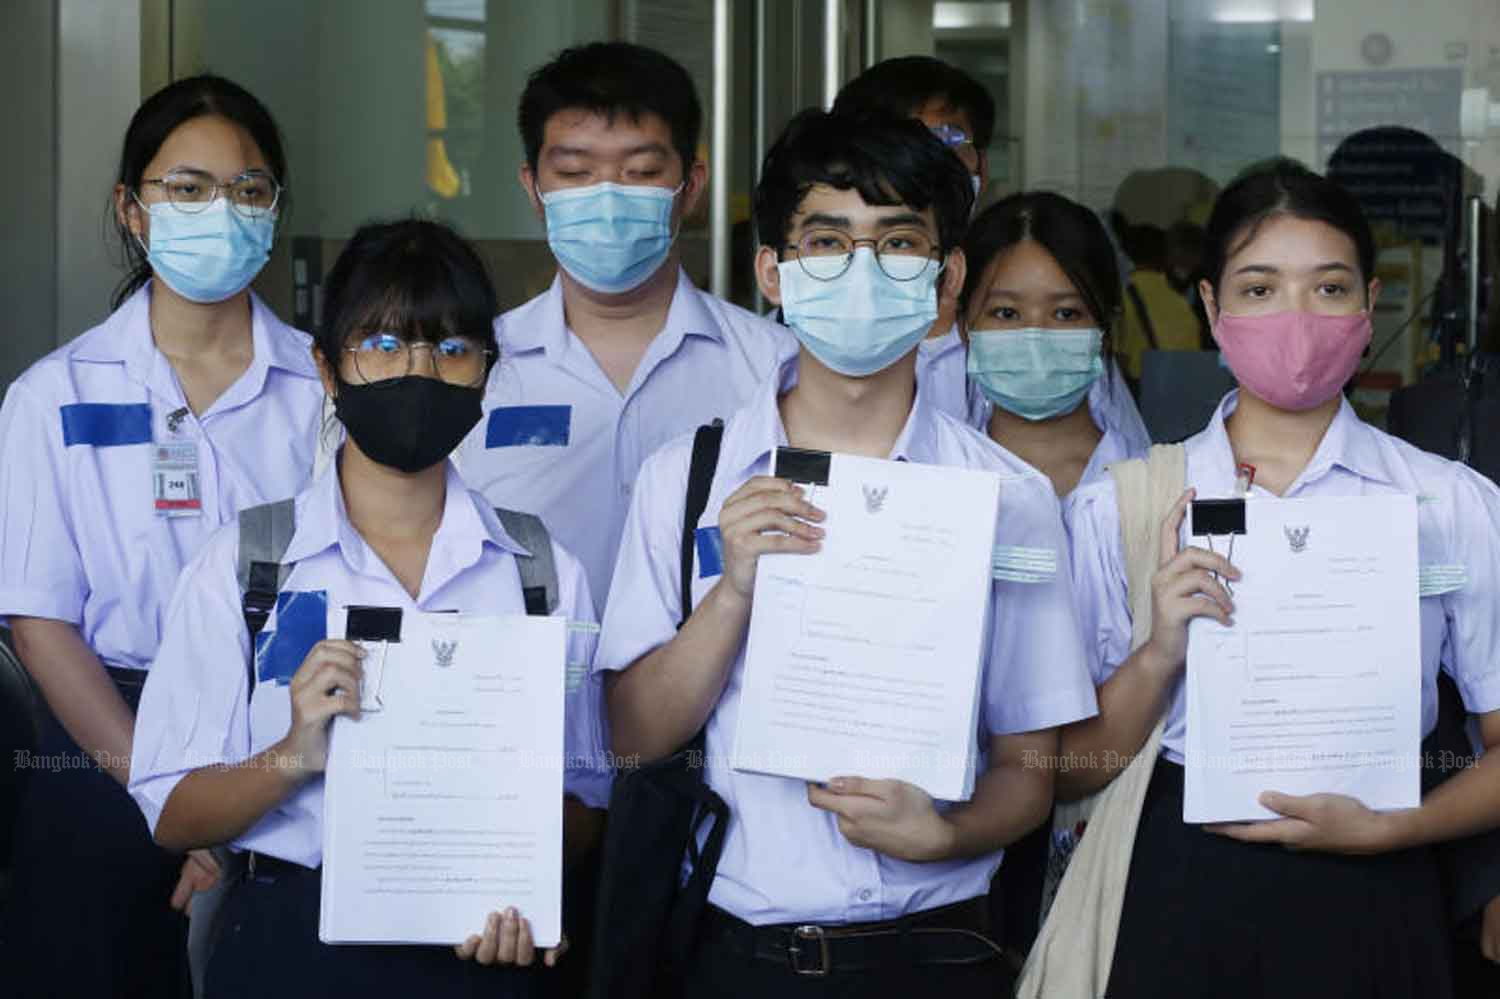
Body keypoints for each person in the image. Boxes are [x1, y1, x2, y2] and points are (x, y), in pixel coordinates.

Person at [596, 108, 1099, 995]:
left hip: (940, 950)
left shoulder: (1007, 498)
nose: (862, 271)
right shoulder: (689, 480)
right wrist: (732, 591)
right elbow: (634, 738)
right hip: (739, 952)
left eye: (897, 243)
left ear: (947, 283)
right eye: (827, 242)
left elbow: (1030, 764)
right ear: (774, 275)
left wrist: (948, 833)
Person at [127, 219, 611, 998]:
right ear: (325, 366)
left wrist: (525, 871)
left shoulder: (540, 572)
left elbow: (588, 807)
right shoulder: (249, 564)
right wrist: (294, 755)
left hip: (480, 950)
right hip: (292, 947)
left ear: (487, 371)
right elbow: (173, 812)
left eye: (451, 349)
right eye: (382, 346)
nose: (417, 373)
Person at [1062, 162, 1500, 997]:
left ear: (1370, 307)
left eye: (1328, 289)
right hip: (1179, 883)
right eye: (1259, 289)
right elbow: (1071, 765)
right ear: (1211, 308)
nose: (1297, 319)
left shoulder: (1447, 502)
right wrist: (1159, 650)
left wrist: (1393, 828)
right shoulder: (1123, 506)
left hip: (1381, 887)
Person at [0, 74, 324, 998]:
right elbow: (42, 623)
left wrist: (246, 788)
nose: (220, 211)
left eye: (249, 190)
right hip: (102, 740)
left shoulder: (324, 387)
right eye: (187, 188)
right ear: (132, 211)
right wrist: (166, 802)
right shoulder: (53, 395)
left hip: (288, 740)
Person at [456, 42, 794, 613]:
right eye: (574, 172)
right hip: (523, 694)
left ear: (690, 185)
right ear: (533, 188)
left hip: (717, 694)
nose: (607, 198)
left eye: (640, 172)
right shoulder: (476, 368)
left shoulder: (775, 367)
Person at [960, 191, 1151, 507]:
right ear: (965, 325)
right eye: (1006, 313)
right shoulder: (936, 480)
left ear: (1104, 329)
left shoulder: (1155, 489)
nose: (1034, 337)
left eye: (1066, 313)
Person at [833, 55, 995, 423]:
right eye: (898, 146)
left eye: (948, 140)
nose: (925, 166)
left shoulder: (1029, 322)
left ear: (981, 169)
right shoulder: (810, 319)